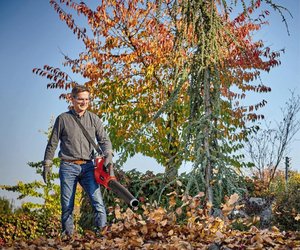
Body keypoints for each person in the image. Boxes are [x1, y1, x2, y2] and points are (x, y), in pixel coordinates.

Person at [42, 85, 113, 238]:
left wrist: (108, 155)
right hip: (68, 166)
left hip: (88, 167)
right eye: (80, 99)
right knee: (67, 206)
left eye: (87, 99)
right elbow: (52, 143)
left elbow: (104, 140)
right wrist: (47, 164)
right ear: (72, 99)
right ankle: (69, 238)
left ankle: (103, 238)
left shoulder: (94, 119)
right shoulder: (63, 119)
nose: (84, 102)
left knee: (98, 203)